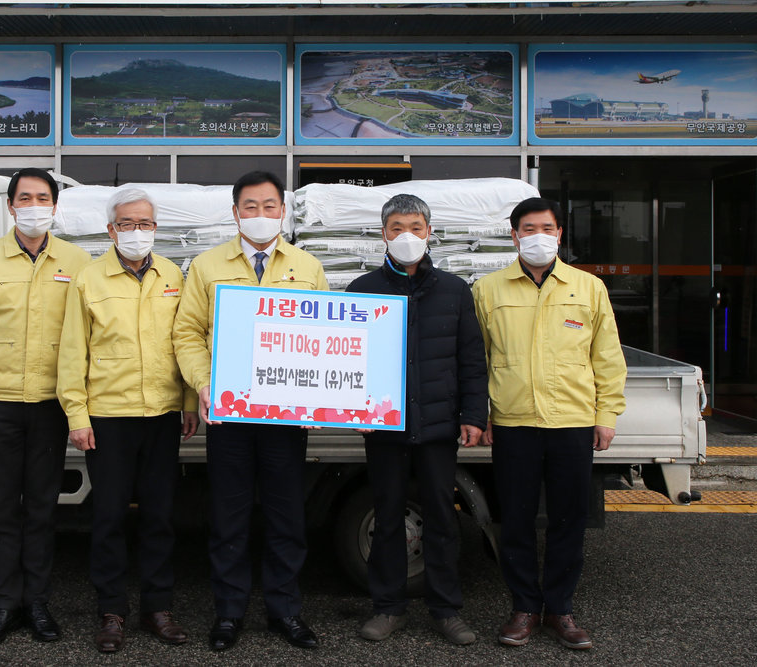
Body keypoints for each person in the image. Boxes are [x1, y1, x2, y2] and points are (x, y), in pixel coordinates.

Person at [173, 170, 328, 652]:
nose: (260, 216)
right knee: (230, 517)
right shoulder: (205, 266)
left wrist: (319, 396)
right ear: (235, 212)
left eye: (269, 206)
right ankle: (229, 612)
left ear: (283, 211)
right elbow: (187, 333)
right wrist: (203, 384)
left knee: (286, 518)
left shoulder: (308, 267)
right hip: (230, 417)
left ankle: (285, 610)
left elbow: (325, 340)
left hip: (285, 418)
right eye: (249, 207)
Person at [0, 168, 90, 648]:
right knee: (2, 509)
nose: (34, 206)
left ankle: (38, 604)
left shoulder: (77, 261)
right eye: (24, 198)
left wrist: (80, 406)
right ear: (10, 207)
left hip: (50, 404)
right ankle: (5, 604)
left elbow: (89, 335)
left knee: (43, 508)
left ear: (54, 206)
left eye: (42, 198)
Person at [472, 197, 626, 650]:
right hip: (513, 422)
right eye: (528, 228)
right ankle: (523, 608)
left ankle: (560, 609)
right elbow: (476, 360)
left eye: (547, 227)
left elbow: (607, 357)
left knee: (568, 520)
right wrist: (480, 414)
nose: (538, 235)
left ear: (560, 234)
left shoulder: (588, 288)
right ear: (513, 235)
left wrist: (606, 415)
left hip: (572, 422)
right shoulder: (488, 290)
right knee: (514, 520)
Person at [56, 189, 199, 653]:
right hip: (108, 417)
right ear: (110, 230)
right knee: (110, 517)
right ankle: (111, 611)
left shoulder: (173, 275)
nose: (137, 232)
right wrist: (77, 415)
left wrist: (189, 403)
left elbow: (185, 344)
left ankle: (158, 608)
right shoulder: (88, 280)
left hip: (160, 416)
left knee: (160, 517)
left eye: (145, 224)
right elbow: (73, 351)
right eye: (127, 224)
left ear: (155, 229)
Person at [346, 194, 488, 645]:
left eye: (415, 226)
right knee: (387, 517)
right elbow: (349, 360)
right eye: (396, 227)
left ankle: (446, 610)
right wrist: (353, 408)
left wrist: (473, 414)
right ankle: (387, 608)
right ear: (382, 233)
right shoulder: (362, 289)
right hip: (384, 426)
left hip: (439, 425)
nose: (406, 235)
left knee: (442, 518)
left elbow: (471, 358)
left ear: (429, 231)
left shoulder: (454, 290)